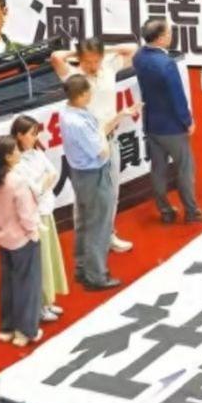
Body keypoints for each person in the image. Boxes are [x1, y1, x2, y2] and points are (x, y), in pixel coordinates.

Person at [52, 38, 139, 253]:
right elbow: (56, 57)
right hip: (87, 145)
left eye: (96, 60)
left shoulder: (108, 68)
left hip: (110, 138)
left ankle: (108, 235)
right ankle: (86, 241)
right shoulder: (74, 76)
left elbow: (133, 49)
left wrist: (104, 50)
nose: (92, 65)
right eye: (87, 61)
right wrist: (79, 53)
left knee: (112, 192)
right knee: (86, 197)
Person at [132, 18, 202, 222]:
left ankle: (165, 211)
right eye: (169, 33)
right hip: (172, 127)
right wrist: (187, 121)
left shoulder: (139, 57)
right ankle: (191, 211)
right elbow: (177, 97)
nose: (171, 36)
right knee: (185, 169)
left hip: (151, 123)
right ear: (161, 38)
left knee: (158, 169)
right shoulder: (167, 64)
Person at [60, 74, 139, 291]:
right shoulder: (78, 122)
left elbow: (98, 133)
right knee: (99, 225)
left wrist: (119, 116)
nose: (91, 95)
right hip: (94, 175)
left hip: (81, 174)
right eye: (88, 92)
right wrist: (106, 138)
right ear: (81, 95)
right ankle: (96, 275)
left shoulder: (68, 112)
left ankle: (82, 268)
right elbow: (101, 151)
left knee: (85, 222)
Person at [0, 137, 42, 348]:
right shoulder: (17, 182)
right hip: (22, 239)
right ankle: (25, 331)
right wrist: (33, 233)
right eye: (15, 150)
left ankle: (6, 328)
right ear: (8, 157)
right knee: (27, 284)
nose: (19, 152)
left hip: (3, 236)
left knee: (7, 283)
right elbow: (26, 215)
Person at [10, 116, 69, 324]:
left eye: (36, 133)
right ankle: (39, 307)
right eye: (32, 133)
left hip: (46, 211)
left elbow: (53, 173)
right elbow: (32, 190)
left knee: (49, 258)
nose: (36, 137)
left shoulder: (37, 153)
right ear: (19, 135)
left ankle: (48, 301)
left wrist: (41, 184)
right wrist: (42, 184)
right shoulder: (16, 163)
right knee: (39, 263)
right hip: (33, 218)